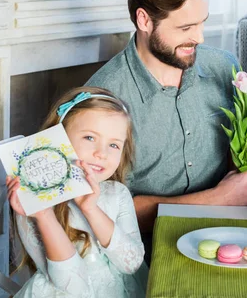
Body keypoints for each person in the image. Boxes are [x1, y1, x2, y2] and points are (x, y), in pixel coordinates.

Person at [85, 0, 247, 242]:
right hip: (143, 253)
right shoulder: (103, 97)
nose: (199, 38)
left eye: (202, 23)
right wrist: (219, 199)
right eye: (186, 28)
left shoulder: (224, 68)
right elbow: (102, 208)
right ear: (144, 20)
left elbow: (234, 157)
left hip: (224, 235)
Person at [8, 86, 147, 297]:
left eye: (114, 145)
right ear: (58, 137)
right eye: (90, 138)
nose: (101, 153)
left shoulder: (117, 194)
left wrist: (91, 210)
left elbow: (133, 264)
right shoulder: (35, 202)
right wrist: (45, 216)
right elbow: (72, 286)